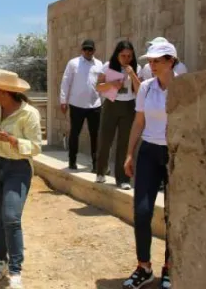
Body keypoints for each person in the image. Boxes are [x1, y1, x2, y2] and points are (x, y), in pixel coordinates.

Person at [0, 70, 42, 289]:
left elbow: (35, 147)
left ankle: (15, 269)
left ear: (4, 92)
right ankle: (1, 261)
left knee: (11, 217)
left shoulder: (29, 113)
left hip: (17, 168)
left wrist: (11, 139)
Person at [122, 42, 177, 289]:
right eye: (150, 61)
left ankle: (170, 268)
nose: (151, 65)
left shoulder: (183, 87)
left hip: (175, 155)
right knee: (142, 212)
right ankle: (144, 267)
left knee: (172, 215)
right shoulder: (145, 87)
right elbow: (138, 122)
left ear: (171, 61)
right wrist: (129, 154)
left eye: (157, 61)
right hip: (148, 152)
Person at [94, 40, 141, 189]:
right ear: (117, 55)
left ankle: (122, 179)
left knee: (125, 142)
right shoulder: (107, 66)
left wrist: (132, 74)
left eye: (129, 56)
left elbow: (140, 90)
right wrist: (111, 84)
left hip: (129, 105)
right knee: (105, 139)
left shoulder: (136, 68)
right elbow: (98, 87)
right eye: (123, 56)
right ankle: (100, 171)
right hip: (111, 104)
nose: (126, 59)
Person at [59, 39, 103, 171]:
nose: (88, 52)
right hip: (76, 104)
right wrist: (63, 100)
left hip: (95, 105)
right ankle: (72, 161)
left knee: (95, 135)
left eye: (90, 50)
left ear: (94, 51)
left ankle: (96, 164)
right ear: (82, 50)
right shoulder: (73, 63)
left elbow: (102, 83)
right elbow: (66, 81)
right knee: (75, 133)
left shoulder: (99, 64)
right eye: (85, 49)